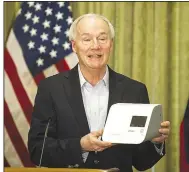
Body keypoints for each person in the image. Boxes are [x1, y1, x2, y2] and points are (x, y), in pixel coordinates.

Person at [28, 13, 170, 172]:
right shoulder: (51, 89)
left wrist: (156, 141)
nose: (95, 46)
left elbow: (141, 162)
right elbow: (37, 150)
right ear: (74, 46)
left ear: (111, 44)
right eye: (87, 39)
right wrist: (81, 146)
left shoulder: (134, 90)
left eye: (102, 38)